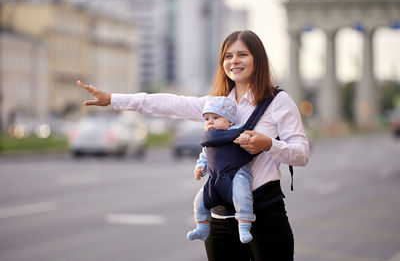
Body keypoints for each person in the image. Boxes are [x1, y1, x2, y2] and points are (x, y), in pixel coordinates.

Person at [76, 30, 310, 261]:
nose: (234, 61)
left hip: (265, 214)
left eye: (242, 54)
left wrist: (268, 144)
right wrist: (113, 100)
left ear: (257, 59)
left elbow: (302, 155)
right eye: (228, 56)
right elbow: (169, 104)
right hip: (220, 218)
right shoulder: (215, 104)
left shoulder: (278, 101)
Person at [188, 96, 255, 244]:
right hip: (215, 178)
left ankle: (244, 226)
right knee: (199, 201)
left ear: (230, 121)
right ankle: (202, 227)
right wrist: (200, 168)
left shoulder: (238, 131)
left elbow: (251, 148)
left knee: (242, 197)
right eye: (206, 119)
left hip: (237, 174)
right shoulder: (209, 139)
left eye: (216, 117)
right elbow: (204, 156)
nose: (210, 122)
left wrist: (246, 140)